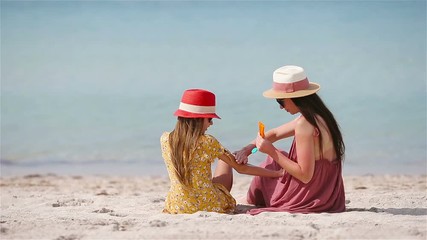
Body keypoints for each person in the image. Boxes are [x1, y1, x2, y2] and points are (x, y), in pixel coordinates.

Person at [234, 65, 346, 215]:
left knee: (271, 162)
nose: (281, 107)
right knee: (277, 157)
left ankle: (251, 199)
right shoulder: (320, 116)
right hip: (328, 192)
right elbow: (274, 134)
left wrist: (271, 151)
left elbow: (305, 175)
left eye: (281, 101)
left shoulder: (304, 125)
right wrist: (246, 149)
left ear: (295, 98)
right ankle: (251, 198)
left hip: (309, 195)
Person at [160, 89, 283, 214]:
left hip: (177, 205)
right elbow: (242, 169)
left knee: (204, 177)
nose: (211, 123)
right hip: (207, 205)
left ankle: (226, 159)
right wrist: (276, 174)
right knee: (225, 162)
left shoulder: (165, 139)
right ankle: (228, 158)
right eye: (209, 119)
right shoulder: (207, 142)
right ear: (198, 119)